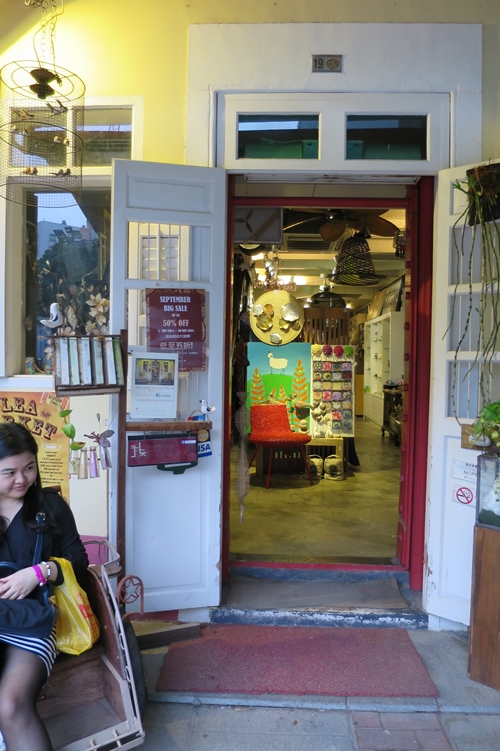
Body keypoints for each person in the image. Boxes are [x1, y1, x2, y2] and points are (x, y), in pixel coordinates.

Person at [0, 422, 88, 751]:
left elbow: (79, 560)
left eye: (28, 467)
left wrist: (40, 572)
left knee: (11, 705)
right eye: (9, 472)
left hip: (35, 620)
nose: (22, 479)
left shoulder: (50, 507)